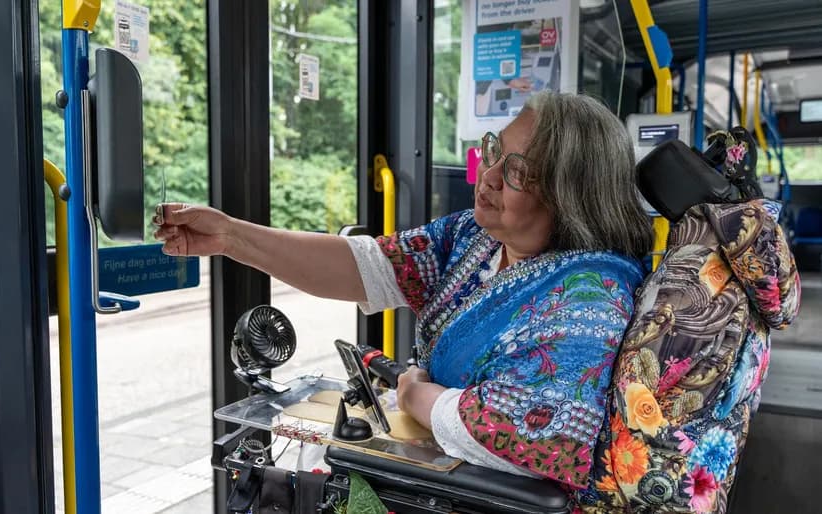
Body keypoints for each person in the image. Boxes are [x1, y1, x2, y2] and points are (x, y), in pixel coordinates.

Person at [153, 91, 654, 489]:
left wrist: (417, 395)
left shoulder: (592, 295)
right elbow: (366, 266)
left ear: (570, 194)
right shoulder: (475, 238)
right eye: (496, 149)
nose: (490, 175)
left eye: (518, 171)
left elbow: (545, 439)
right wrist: (231, 236)